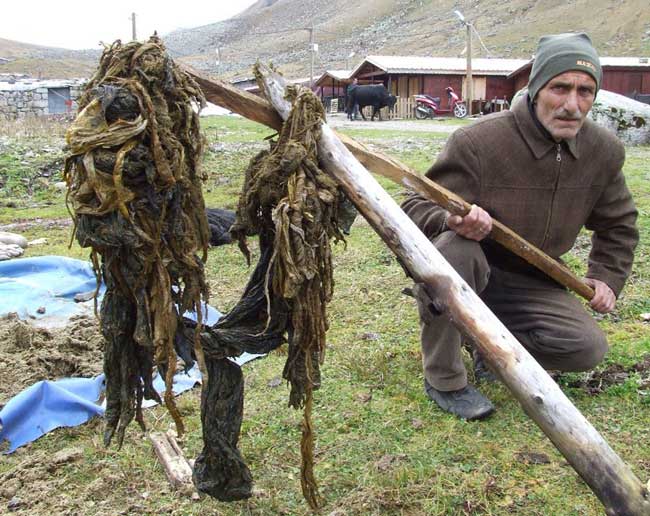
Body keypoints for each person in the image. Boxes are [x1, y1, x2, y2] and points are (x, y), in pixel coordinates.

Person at [401, 33, 639, 421]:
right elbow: (414, 204)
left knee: (585, 348)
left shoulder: (603, 151)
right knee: (455, 251)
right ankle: (444, 379)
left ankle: (485, 348)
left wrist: (607, 276)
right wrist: (451, 219)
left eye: (585, 91)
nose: (571, 105)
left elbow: (619, 223)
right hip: (470, 269)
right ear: (535, 88)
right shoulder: (478, 142)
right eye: (559, 88)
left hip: (534, 280)